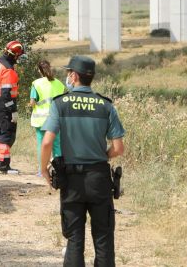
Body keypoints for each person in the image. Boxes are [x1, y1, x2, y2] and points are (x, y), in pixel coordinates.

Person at [40, 55, 125, 267]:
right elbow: (118, 148)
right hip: (99, 178)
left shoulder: (60, 104)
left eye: (69, 72)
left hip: (71, 180)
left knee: (75, 238)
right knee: (103, 238)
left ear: (74, 75)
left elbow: (47, 142)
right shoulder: (106, 106)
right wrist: (100, 156)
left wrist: (44, 170)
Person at [0, 40, 24, 174]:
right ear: (15, 55)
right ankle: (3, 166)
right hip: (4, 104)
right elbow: (6, 94)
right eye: (19, 56)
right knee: (7, 134)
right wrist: (12, 110)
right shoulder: (9, 70)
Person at [29, 60, 65, 176]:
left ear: (39, 70)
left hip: (40, 120)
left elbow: (33, 102)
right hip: (55, 119)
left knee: (41, 145)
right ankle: (59, 171)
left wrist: (30, 105)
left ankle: (42, 171)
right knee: (56, 145)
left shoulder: (36, 83)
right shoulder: (59, 84)